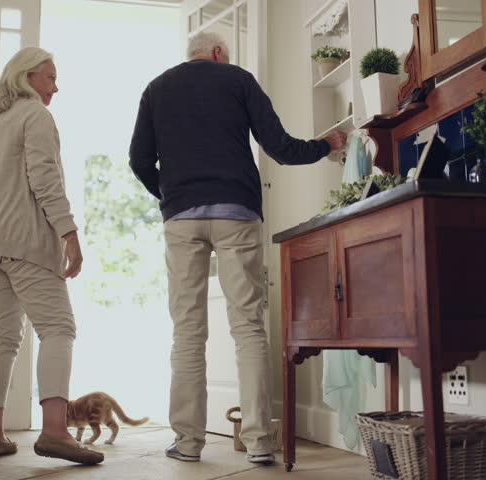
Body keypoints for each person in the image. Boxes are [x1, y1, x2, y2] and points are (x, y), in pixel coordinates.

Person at [128, 32, 347, 464]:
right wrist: (326, 145)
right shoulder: (238, 79)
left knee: (187, 332)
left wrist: (172, 198)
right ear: (217, 53)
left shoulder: (156, 88)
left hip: (181, 218)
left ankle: (188, 443)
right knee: (248, 328)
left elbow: (138, 159)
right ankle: (260, 443)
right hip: (236, 213)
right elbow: (280, 148)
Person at [0, 47, 103, 466]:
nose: (56, 86)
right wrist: (69, 233)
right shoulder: (35, 115)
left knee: (1, 338)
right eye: (50, 77)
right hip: (23, 240)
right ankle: (55, 432)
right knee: (58, 329)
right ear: (26, 77)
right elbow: (44, 177)